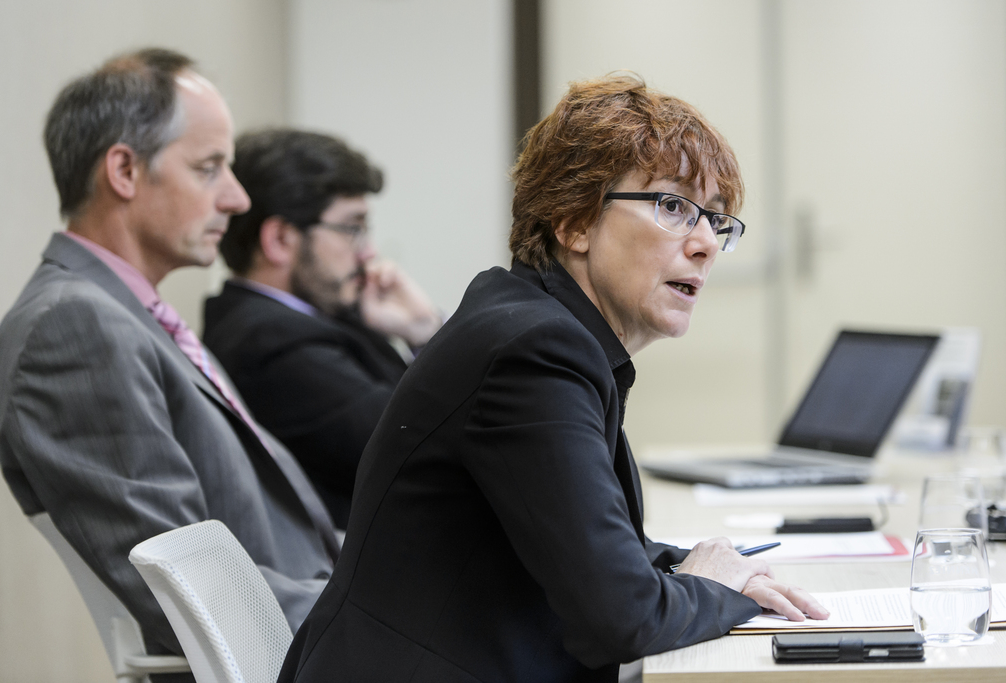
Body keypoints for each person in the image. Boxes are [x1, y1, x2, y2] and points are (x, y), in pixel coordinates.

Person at [278, 74, 829, 683]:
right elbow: (621, 618)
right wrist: (708, 587)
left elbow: (584, 547)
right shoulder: (535, 353)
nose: (705, 244)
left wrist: (708, 569)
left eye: (716, 221)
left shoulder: (527, 320)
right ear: (574, 223)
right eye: (673, 206)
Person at [0, 49, 340, 659]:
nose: (236, 200)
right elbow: (190, 592)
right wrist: (392, 616)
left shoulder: (126, 315)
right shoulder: (72, 326)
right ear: (124, 171)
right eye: (209, 168)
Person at [203, 129, 442, 528]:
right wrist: (435, 338)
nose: (368, 252)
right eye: (352, 229)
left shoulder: (324, 316)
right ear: (280, 239)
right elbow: (430, 447)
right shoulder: (269, 345)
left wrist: (422, 330)